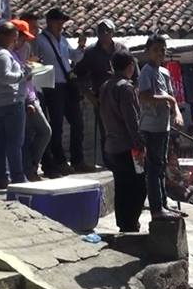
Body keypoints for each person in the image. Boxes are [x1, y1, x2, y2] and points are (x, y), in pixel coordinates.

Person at [74, 19, 137, 163]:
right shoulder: (91, 52)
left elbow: (135, 73)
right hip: (103, 98)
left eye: (107, 31)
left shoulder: (122, 49)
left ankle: (130, 161)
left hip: (124, 95)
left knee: (130, 128)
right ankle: (110, 165)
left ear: (113, 32)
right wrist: (90, 96)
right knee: (108, 133)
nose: (103, 34)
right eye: (100, 31)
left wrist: (135, 93)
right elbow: (78, 75)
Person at [35, 8, 89, 175]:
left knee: (77, 123)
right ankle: (59, 161)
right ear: (50, 21)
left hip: (67, 85)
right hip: (52, 86)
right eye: (58, 21)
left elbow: (74, 57)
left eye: (62, 21)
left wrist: (80, 47)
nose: (61, 24)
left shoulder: (64, 40)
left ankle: (78, 160)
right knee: (56, 125)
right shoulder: (40, 40)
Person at [99, 51, 147, 232]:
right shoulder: (125, 88)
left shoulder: (105, 86)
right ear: (130, 66)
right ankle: (130, 223)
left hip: (111, 145)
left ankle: (124, 223)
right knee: (139, 186)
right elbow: (132, 121)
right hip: (128, 146)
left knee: (121, 186)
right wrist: (140, 145)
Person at [138, 33, 182, 222]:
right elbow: (145, 96)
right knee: (154, 168)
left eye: (162, 50)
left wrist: (177, 112)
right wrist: (168, 99)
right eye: (156, 50)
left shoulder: (165, 72)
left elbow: (173, 99)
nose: (160, 54)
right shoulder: (146, 71)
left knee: (162, 166)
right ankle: (156, 208)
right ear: (148, 52)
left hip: (164, 127)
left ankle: (163, 204)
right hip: (150, 127)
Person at [0, 22, 31, 190]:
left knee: (2, 143)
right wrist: (23, 75)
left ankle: (2, 177)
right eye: (14, 37)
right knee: (15, 142)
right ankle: (18, 177)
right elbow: (6, 76)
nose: (15, 41)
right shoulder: (2, 54)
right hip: (11, 102)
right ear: (5, 36)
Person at [9, 19, 51, 183]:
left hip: (31, 94)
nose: (24, 41)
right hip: (24, 98)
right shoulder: (9, 54)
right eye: (22, 37)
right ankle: (28, 170)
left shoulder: (24, 49)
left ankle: (31, 167)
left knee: (43, 132)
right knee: (29, 136)